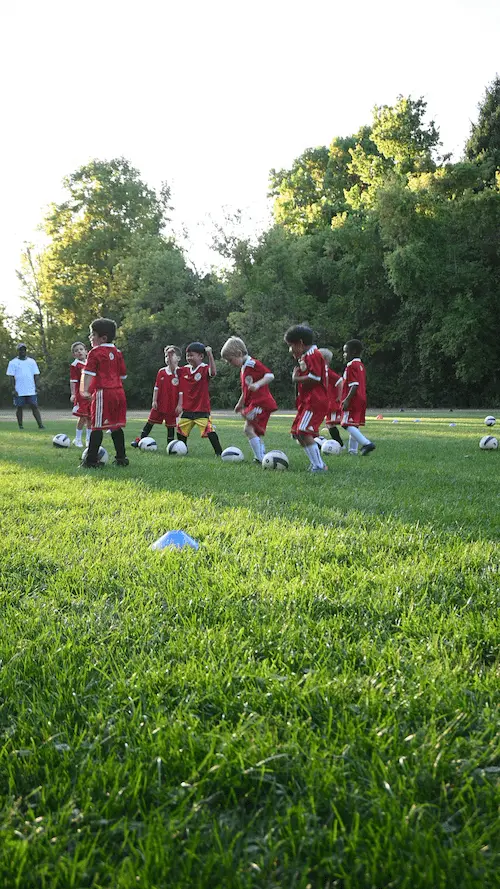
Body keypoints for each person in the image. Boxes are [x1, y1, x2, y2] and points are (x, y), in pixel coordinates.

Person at [80, 318, 129, 468]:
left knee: (97, 426)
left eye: (92, 334)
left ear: (103, 338)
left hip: (103, 392)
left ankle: (91, 461)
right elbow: (123, 375)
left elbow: (88, 373)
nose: (90, 338)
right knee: (115, 426)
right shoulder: (118, 352)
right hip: (119, 393)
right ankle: (121, 458)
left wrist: (85, 391)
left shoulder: (95, 352)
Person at [220, 336, 277, 463]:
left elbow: (270, 375)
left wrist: (258, 384)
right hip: (255, 403)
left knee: (248, 429)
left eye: (230, 360)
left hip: (261, 402)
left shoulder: (253, 364)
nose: (230, 364)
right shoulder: (244, 368)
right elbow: (245, 390)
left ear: (239, 354)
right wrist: (240, 403)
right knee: (252, 429)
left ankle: (260, 458)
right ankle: (261, 455)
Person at [284, 324, 329, 471]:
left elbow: (315, 378)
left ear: (300, 343)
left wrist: (295, 379)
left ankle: (319, 466)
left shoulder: (313, 355)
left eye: (291, 346)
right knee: (299, 433)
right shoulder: (306, 356)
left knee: (304, 431)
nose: (290, 350)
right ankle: (316, 463)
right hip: (307, 401)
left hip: (315, 401)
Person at [175, 342, 223, 456]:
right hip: (187, 409)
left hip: (201, 409)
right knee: (181, 429)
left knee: (209, 430)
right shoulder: (185, 370)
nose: (189, 358)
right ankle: (183, 450)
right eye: (187, 355)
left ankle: (219, 453)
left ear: (201, 356)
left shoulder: (204, 368)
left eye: (191, 355)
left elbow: (213, 372)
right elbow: (173, 369)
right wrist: (171, 356)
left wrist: (210, 354)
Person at [131, 345, 182, 448]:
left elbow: (181, 392)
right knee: (149, 422)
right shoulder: (161, 372)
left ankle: (170, 446)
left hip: (172, 405)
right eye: (166, 356)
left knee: (171, 427)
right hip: (159, 404)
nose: (168, 358)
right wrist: (154, 400)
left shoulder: (179, 372)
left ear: (179, 358)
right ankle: (140, 440)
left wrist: (180, 405)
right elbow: (156, 388)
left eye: (171, 356)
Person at [340, 339, 375, 455]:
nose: (344, 355)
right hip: (361, 398)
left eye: (345, 352)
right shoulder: (360, 365)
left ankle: (366, 443)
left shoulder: (351, 366)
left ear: (353, 352)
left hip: (353, 399)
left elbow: (354, 385)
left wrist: (347, 400)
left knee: (346, 424)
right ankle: (352, 451)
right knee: (354, 425)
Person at [6, 343, 45, 429]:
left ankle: (40, 425)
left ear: (26, 350)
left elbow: (36, 375)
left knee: (34, 406)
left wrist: (37, 387)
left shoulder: (32, 361)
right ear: (18, 351)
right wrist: (13, 389)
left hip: (31, 389)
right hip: (19, 390)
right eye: (20, 349)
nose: (22, 351)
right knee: (19, 407)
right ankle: (20, 426)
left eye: (24, 349)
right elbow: (11, 378)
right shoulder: (13, 362)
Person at [319, 348, 344, 449]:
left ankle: (340, 445)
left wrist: (339, 396)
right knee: (329, 423)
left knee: (331, 424)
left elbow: (340, 381)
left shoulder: (326, 371)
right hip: (328, 402)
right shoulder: (321, 370)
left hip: (333, 402)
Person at [70, 341, 91, 448]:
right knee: (82, 416)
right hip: (81, 394)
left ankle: (88, 439)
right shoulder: (75, 365)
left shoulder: (90, 363)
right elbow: (73, 380)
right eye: (76, 351)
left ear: (86, 352)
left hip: (90, 393)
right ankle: (77, 439)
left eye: (81, 349)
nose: (79, 352)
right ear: (74, 354)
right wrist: (73, 394)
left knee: (90, 417)